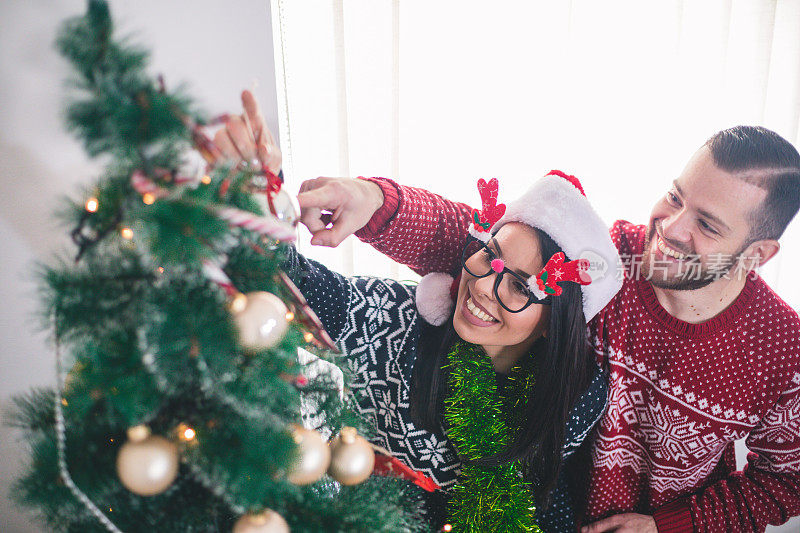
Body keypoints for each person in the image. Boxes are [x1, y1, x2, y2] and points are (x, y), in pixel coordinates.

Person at [295, 127, 800, 532]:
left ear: (757, 255)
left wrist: (670, 525)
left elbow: (785, 481)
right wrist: (371, 202)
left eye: (707, 225)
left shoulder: (782, 349)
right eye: (674, 197)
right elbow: (485, 241)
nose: (670, 228)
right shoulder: (607, 264)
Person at [214, 92, 622, 531]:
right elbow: (291, 281)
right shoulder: (395, 324)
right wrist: (261, 187)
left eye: (520, 285)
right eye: (490, 256)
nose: (484, 286)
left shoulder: (579, 393)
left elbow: (547, 499)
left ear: (552, 327)